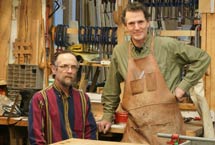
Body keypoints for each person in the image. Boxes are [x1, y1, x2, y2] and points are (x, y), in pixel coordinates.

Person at [97, 2, 211, 145]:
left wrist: (183, 87)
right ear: (125, 27)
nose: (137, 27)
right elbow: (111, 89)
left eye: (140, 22)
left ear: (148, 23)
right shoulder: (119, 52)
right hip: (136, 131)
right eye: (131, 23)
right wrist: (107, 116)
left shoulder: (167, 45)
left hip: (167, 129)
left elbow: (203, 58)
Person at [28, 50, 97, 145]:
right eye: (64, 66)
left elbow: (91, 133)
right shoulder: (40, 99)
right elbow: (36, 139)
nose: (69, 71)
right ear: (53, 69)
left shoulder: (83, 99)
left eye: (73, 67)